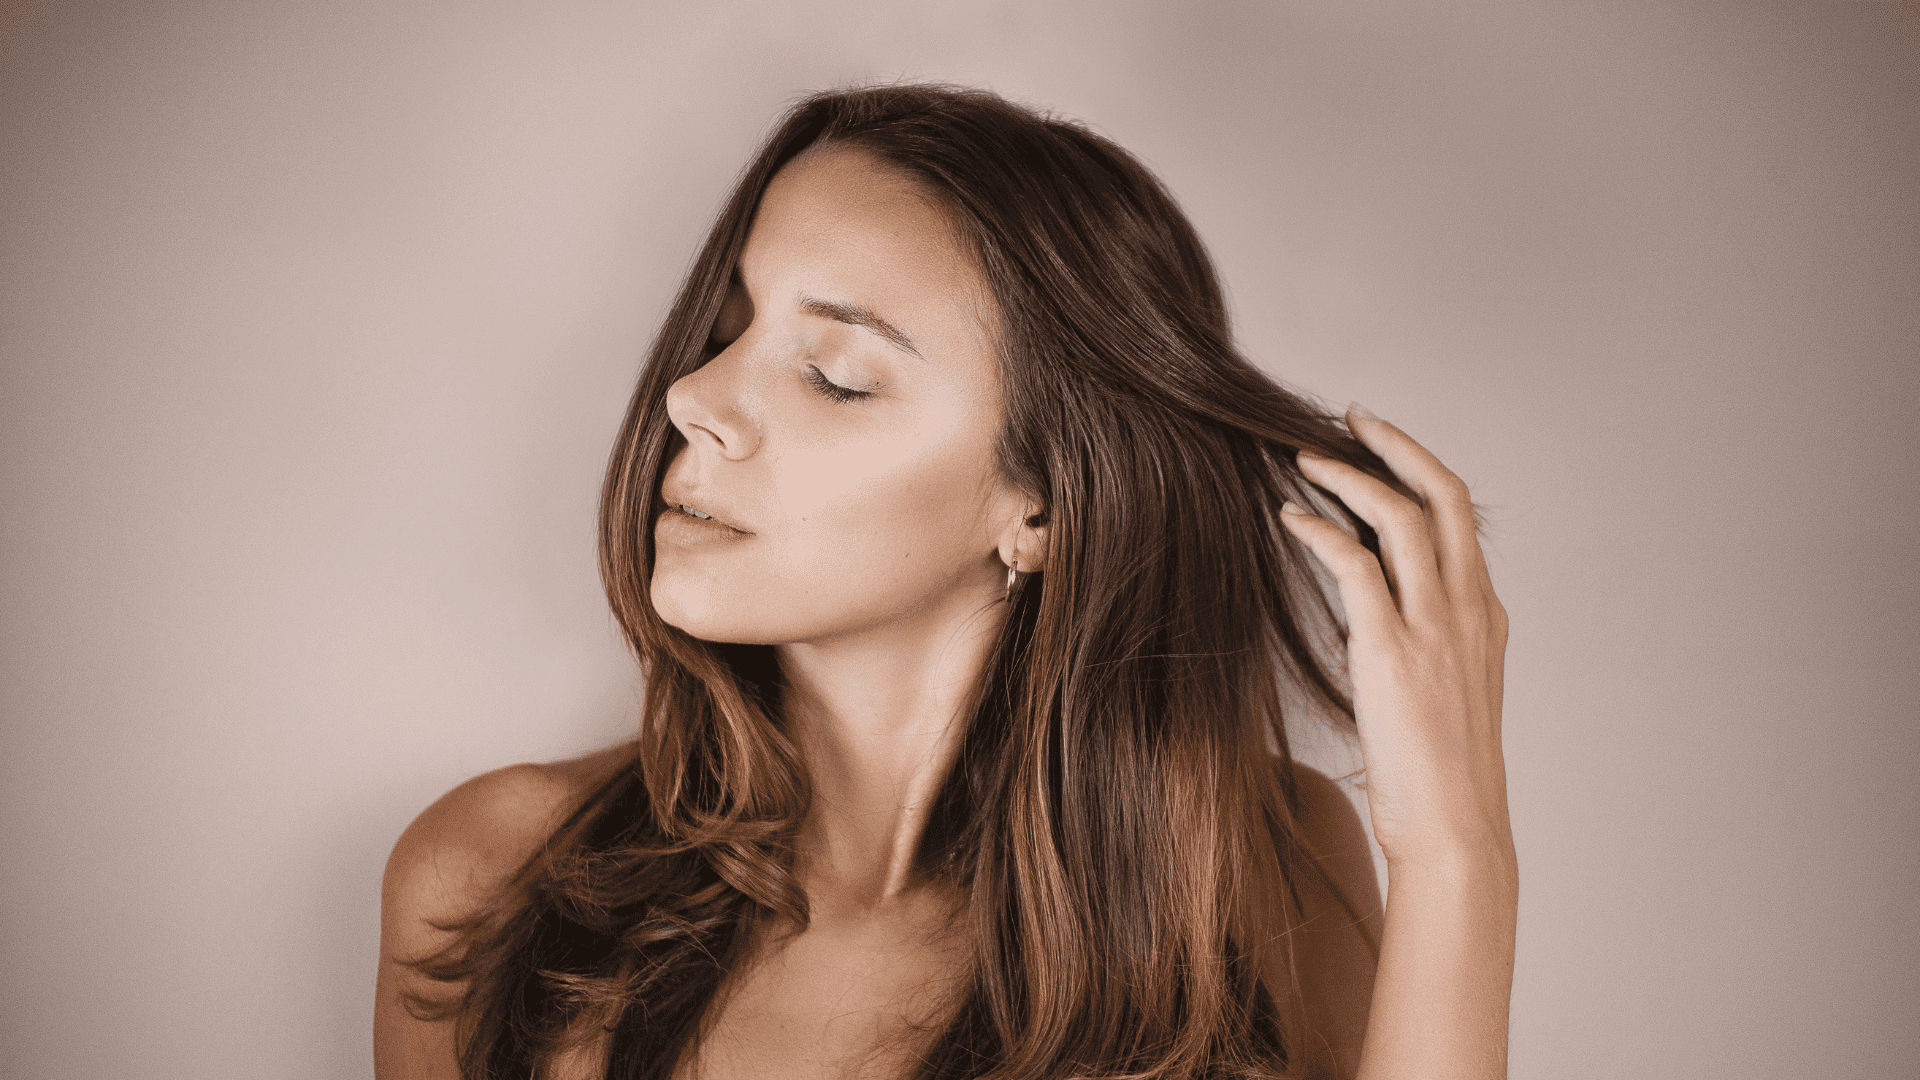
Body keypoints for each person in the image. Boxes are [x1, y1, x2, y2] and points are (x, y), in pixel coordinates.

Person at [373, 83, 1515, 1080]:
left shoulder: (1269, 871)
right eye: (724, 332)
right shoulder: (491, 879)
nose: (695, 398)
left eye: (833, 376)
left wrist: (1458, 849)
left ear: (1044, 508)